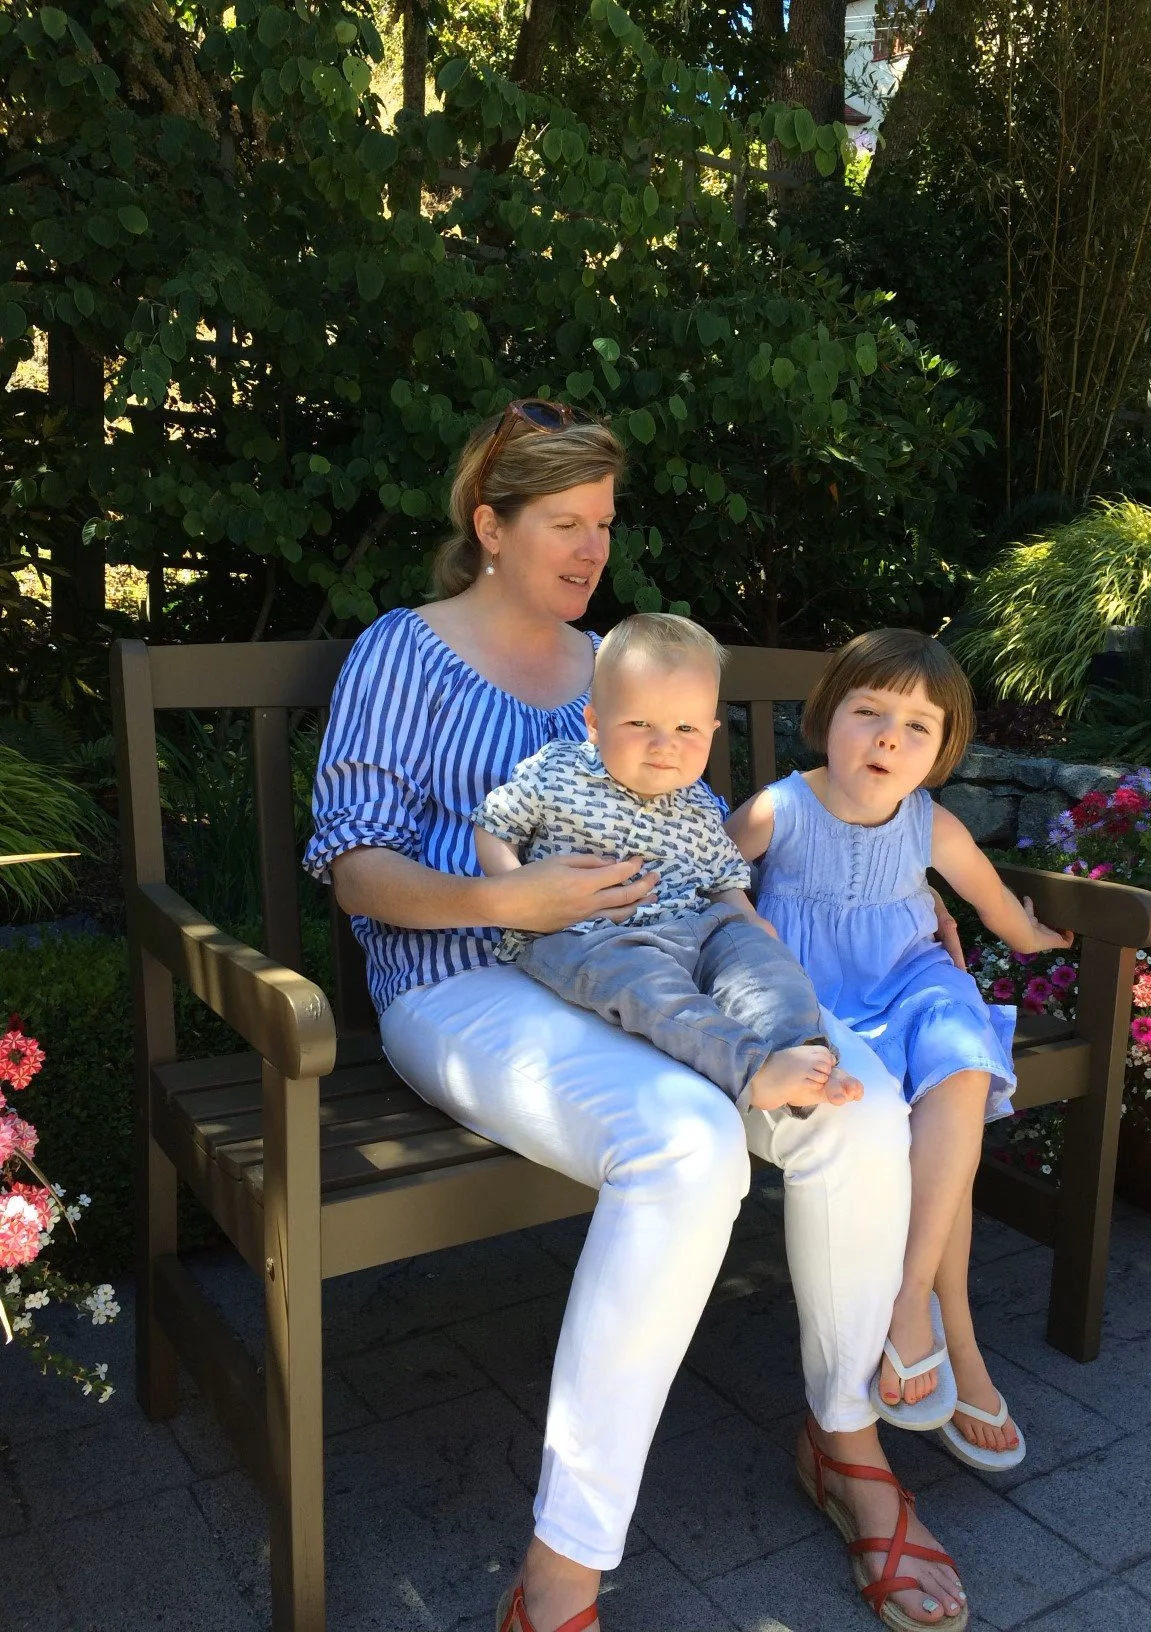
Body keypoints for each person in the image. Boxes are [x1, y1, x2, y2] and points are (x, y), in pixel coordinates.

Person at [305, 401, 968, 1632]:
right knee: (685, 1142)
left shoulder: (625, 662)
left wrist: (889, 896)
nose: (591, 550)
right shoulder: (405, 650)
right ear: (489, 526)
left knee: (856, 1103)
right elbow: (351, 865)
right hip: (458, 980)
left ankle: (847, 1440)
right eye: (564, 523)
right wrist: (509, 892)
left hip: (654, 964)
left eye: (603, 525)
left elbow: (707, 841)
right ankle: (562, 1575)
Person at [728, 628, 1074, 1475]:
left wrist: (1041, 937)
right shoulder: (783, 807)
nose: (889, 737)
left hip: (915, 980)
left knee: (959, 1067)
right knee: (909, 1123)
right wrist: (746, 921)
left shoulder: (932, 823)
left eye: (918, 727)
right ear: (827, 717)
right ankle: (953, 1336)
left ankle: (910, 1300)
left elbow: (996, 909)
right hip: (821, 1002)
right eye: (870, 712)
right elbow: (709, 875)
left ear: (943, 751)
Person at [471, 612, 863, 1115]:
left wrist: (746, 917)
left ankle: (803, 1050)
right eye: (639, 723)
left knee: (760, 958)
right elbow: (494, 824)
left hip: (692, 927)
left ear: (711, 731)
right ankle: (751, 1070)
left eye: (685, 727)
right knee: (653, 991)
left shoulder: (698, 802)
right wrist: (513, 892)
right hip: (589, 937)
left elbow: (724, 881)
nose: (664, 744)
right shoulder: (558, 770)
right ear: (594, 723)